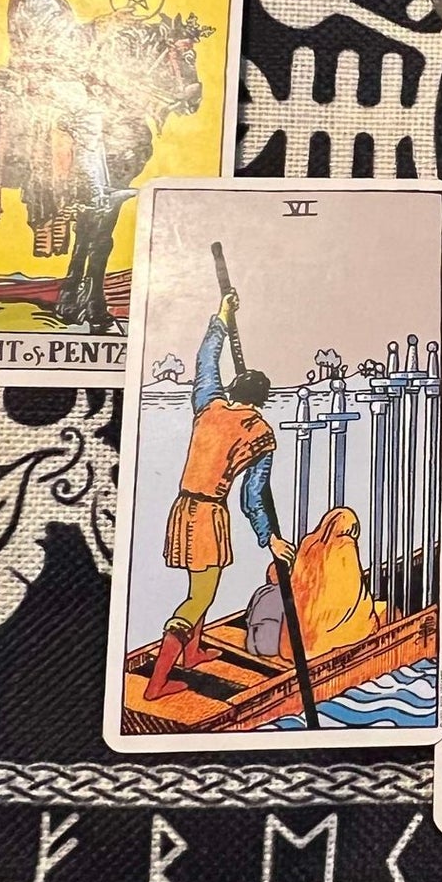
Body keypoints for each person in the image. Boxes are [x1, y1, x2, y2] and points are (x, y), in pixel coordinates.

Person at [144, 288, 292, 700]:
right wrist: (271, 539)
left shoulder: (209, 405)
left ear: (233, 391)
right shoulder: (261, 434)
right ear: (262, 401)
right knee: (200, 595)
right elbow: (253, 496)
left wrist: (222, 317)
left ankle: (192, 653)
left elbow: (205, 361)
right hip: (208, 515)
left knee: (203, 583)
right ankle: (157, 684)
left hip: (183, 508)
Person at [0, 0, 131, 214]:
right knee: (89, 116)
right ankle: (92, 194)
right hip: (41, 80)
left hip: (48, 74)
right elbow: (64, 44)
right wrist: (104, 25)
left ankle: (98, 187)